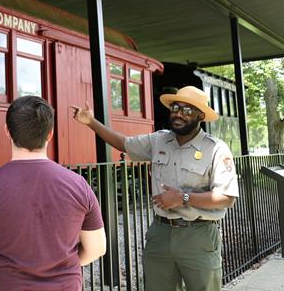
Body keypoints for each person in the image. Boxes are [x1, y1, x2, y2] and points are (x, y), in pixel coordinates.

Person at [71, 85, 239, 291]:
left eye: (187, 110)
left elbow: (226, 197)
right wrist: (91, 122)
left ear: (200, 116)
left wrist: (183, 197)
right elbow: (124, 143)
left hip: (198, 235)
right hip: (160, 232)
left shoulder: (216, 148)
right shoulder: (159, 140)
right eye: (176, 107)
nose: (178, 113)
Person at [0, 96, 106, 291]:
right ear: (50, 135)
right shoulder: (78, 185)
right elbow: (97, 248)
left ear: (8, 132)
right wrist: (63, 264)